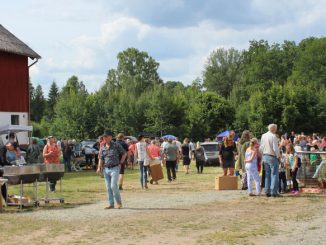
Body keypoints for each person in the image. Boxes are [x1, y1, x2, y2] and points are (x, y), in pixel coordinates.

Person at [97, 130, 126, 209]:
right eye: (103, 137)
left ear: (110, 137)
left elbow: (124, 153)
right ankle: (111, 204)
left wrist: (121, 162)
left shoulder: (116, 145)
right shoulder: (102, 147)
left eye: (106, 136)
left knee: (113, 186)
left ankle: (119, 203)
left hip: (115, 168)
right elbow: (101, 158)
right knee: (108, 187)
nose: (104, 138)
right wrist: (99, 167)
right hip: (106, 169)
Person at [260, 124, 281, 197]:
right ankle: (274, 192)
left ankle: (267, 191)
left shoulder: (263, 135)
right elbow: (275, 148)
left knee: (267, 175)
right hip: (272, 156)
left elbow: (261, 147)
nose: (276, 130)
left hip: (265, 156)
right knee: (274, 174)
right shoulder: (273, 136)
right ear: (273, 129)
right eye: (276, 129)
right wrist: (278, 156)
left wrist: (262, 156)